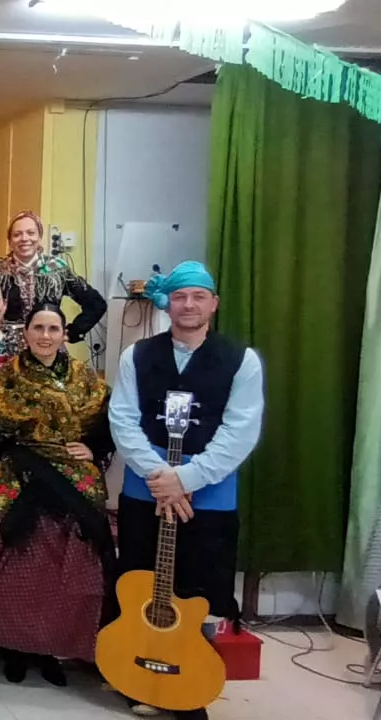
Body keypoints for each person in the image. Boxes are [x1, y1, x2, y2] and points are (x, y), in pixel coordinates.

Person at [108, 262, 262, 720]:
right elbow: (123, 419)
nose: (188, 305)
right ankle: (142, 677)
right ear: (167, 303)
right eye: (179, 297)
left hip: (209, 493)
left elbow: (241, 430)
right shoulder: (137, 355)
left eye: (198, 296)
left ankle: (191, 685)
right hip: (146, 488)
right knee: (140, 584)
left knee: (202, 592)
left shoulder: (242, 360)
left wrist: (187, 479)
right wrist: (162, 477)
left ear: (213, 303)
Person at [0, 304, 114, 685]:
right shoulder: (5, 378)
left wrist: (94, 449)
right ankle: (14, 647)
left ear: (64, 334)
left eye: (53, 329)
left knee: (65, 572)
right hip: (18, 476)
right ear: (25, 333)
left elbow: (109, 423)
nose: (45, 336)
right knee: (18, 570)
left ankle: (50, 649)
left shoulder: (86, 378)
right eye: (38, 328)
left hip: (72, 475)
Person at [0, 211, 106, 343]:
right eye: (17, 234)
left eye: (31, 233)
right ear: (10, 241)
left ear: (39, 237)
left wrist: (73, 332)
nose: (24, 238)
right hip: (3, 345)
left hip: (46, 344)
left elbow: (96, 304)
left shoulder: (57, 269)